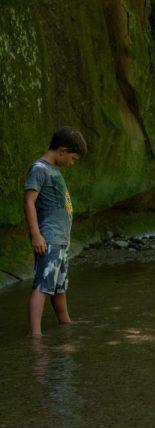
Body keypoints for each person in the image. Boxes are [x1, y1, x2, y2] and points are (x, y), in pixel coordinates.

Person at [23, 127, 87, 337]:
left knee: (59, 286)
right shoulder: (39, 169)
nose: (72, 162)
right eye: (73, 158)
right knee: (43, 284)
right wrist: (36, 235)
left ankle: (65, 322)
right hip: (48, 237)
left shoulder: (54, 169)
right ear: (62, 150)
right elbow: (29, 202)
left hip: (60, 240)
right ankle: (36, 335)